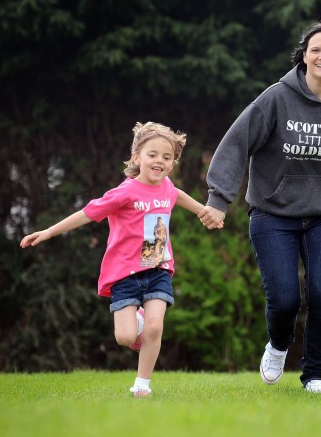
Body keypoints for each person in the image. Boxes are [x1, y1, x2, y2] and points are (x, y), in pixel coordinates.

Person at [198, 20, 321, 393]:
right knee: (285, 297)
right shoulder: (276, 98)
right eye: (316, 49)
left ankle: (316, 374)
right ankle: (278, 345)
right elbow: (236, 143)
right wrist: (219, 199)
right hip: (272, 214)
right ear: (304, 56)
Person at [20, 121, 223, 397]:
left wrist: (205, 212)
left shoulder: (166, 187)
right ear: (137, 157)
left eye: (167, 158)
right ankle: (138, 323)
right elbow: (87, 213)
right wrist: (49, 232)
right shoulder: (124, 192)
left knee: (156, 326)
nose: (159, 162)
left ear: (172, 163)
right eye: (152, 155)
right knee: (125, 337)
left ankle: (142, 386)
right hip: (125, 273)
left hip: (157, 267)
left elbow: (178, 196)